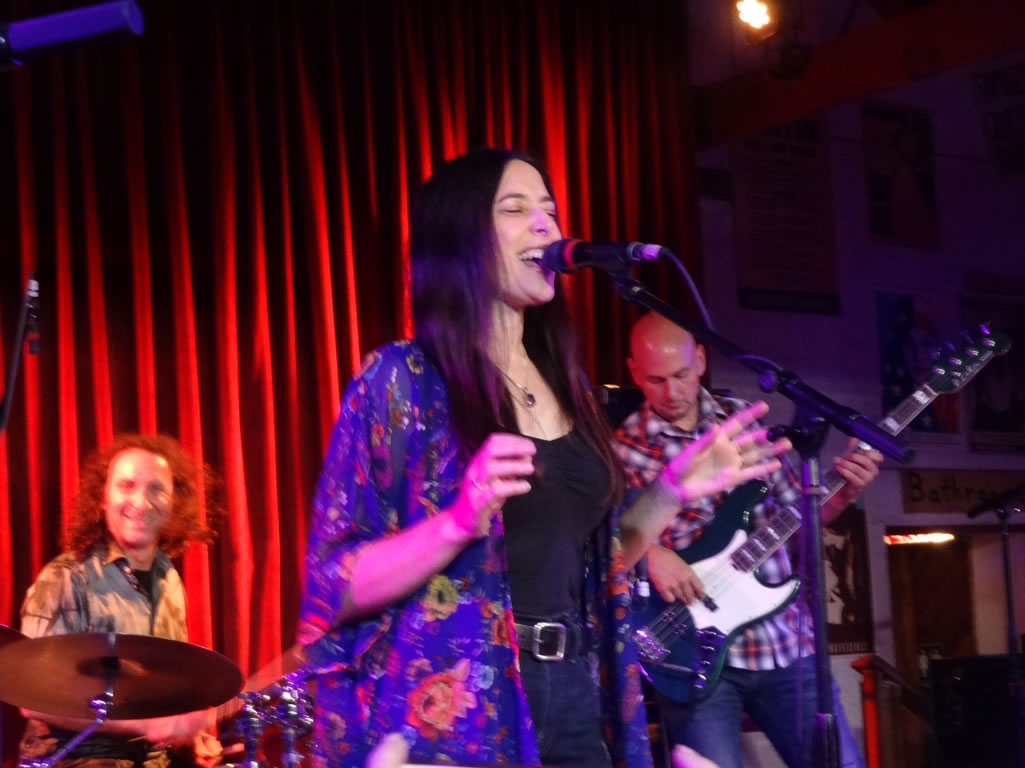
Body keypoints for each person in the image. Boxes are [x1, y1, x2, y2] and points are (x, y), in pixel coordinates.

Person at [297, 149, 789, 768]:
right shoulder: (402, 379)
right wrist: (456, 523)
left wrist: (669, 490)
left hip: (572, 692)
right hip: (456, 713)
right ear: (460, 236)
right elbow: (331, 586)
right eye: (516, 209)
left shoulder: (570, 386)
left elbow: (598, 565)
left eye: (550, 211)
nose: (546, 226)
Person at [613, 312, 884, 768]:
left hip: (784, 643)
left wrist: (843, 494)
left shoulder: (741, 422)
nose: (672, 391)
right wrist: (651, 554)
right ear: (634, 372)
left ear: (701, 360)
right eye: (656, 379)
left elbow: (801, 515)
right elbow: (604, 550)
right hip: (693, 655)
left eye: (681, 375)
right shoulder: (622, 449)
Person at [18, 433, 228, 768]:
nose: (141, 501)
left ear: (174, 503)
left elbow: (161, 692)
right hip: (78, 759)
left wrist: (191, 739)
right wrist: (145, 726)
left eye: (156, 489)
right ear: (102, 499)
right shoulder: (65, 578)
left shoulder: (170, 581)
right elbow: (31, 701)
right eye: (127, 485)